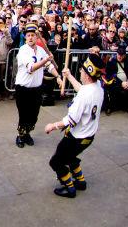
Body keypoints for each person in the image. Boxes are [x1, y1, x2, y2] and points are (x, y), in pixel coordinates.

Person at [44, 54, 106, 198]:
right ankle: (80, 181)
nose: (80, 72)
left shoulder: (85, 96)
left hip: (76, 137)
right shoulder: (98, 87)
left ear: (88, 75)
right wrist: (70, 76)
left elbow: (70, 121)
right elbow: (82, 89)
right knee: (71, 157)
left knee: (56, 162)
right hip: (89, 137)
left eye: (83, 71)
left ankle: (69, 188)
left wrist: (52, 126)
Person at [14, 23, 62, 148]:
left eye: (33, 35)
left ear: (37, 37)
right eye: (28, 35)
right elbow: (31, 68)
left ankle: (28, 133)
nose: (30, 37)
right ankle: (20, 136)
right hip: (23, 89)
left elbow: (50, 66)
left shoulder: (41, 50)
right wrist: (46, 60)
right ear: (25, 37)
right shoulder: (23, 51)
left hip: (37, 89)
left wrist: (57, 76)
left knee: (33, 115)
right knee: (24, 115)